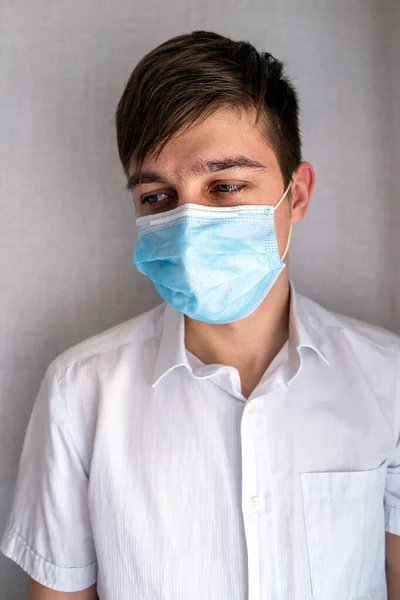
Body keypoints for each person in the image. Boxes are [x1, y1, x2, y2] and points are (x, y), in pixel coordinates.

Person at [1, 29, 400, 600]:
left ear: (298, 194)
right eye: (158, 197)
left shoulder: (389, 379)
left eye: (225, 185)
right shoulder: (80, 392)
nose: (189, 226)